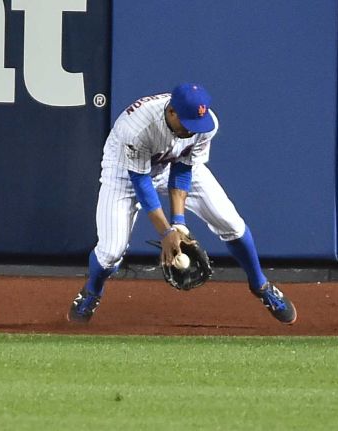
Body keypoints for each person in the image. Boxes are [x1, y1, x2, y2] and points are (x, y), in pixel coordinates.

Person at [67, 83, 296, 324]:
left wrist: (179, 225)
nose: (192, 130)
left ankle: (260, 285)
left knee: (231, 223)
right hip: (124, 173)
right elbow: (142, 183)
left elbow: (183, 169)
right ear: (172, 112)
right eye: (188, 123)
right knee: (110, 253)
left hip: (170, 165)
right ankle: (92, 291)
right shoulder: (136, 127)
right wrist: (165, 232)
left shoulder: (205, 125)